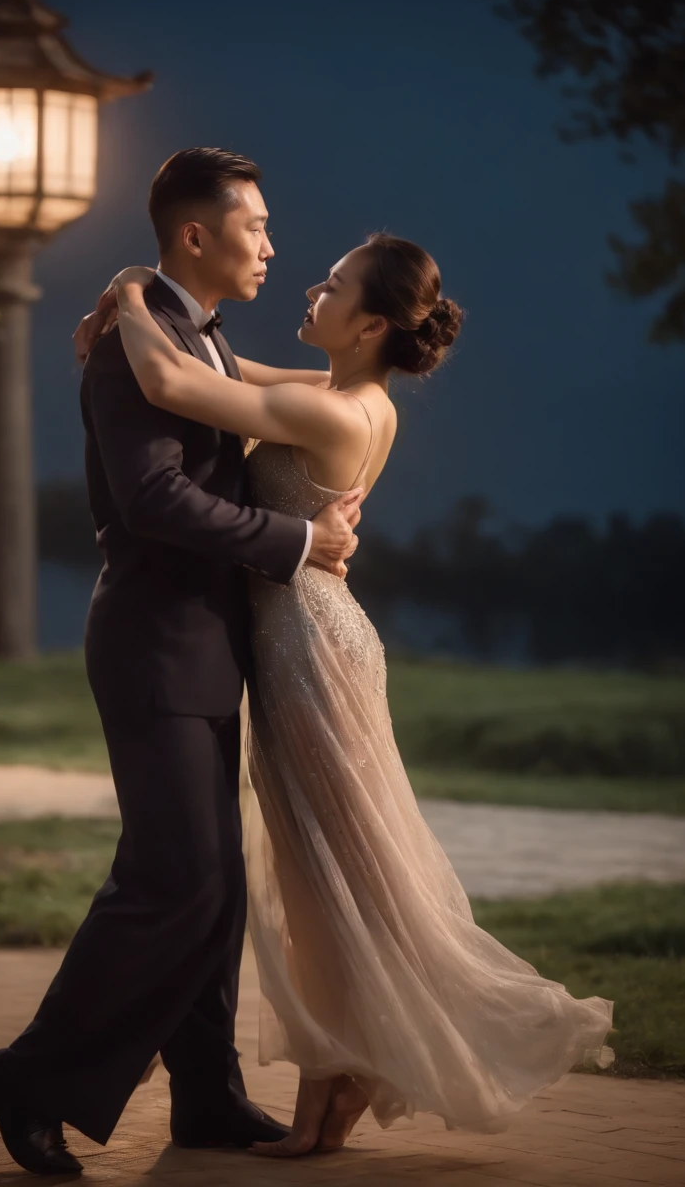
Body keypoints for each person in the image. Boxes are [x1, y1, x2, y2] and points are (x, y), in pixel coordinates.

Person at [81, 230, 615, 1159]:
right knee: (326, 872)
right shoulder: (339, 393)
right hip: (309, 640)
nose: (310, 288)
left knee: (335, 875)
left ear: (369, 325)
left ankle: (348, 1071)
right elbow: (221, 358)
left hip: (309, 652)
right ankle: (337, 1080)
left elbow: (175, 386)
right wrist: (144, 295)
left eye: (331, 285)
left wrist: (128, 295)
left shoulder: (340, 414)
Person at [0, 147, 361, 1176]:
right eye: (256, 225)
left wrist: (127, 284)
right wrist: (292, 545)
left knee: (214, 885)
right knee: (171, 879)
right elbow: (151, 500)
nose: (272, 244)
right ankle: (29, 1082)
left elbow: (291, 412)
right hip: (154, 641)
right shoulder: (126, 351)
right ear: (196, 233)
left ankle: (207, 1096)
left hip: (209, 645)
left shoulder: (197, 340)